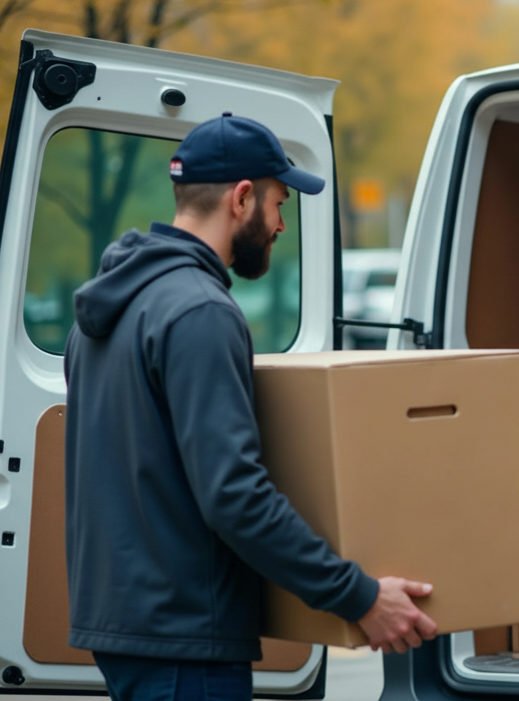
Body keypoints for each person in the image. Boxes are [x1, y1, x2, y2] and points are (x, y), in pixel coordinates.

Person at [64, 113, 437, 701]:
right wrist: (359, 596)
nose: (281, 225)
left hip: (125, 625)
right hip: (186, 641)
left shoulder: (111, 305)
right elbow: (233, 494)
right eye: (279, 204)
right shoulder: (199, 313)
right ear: (242, 199)